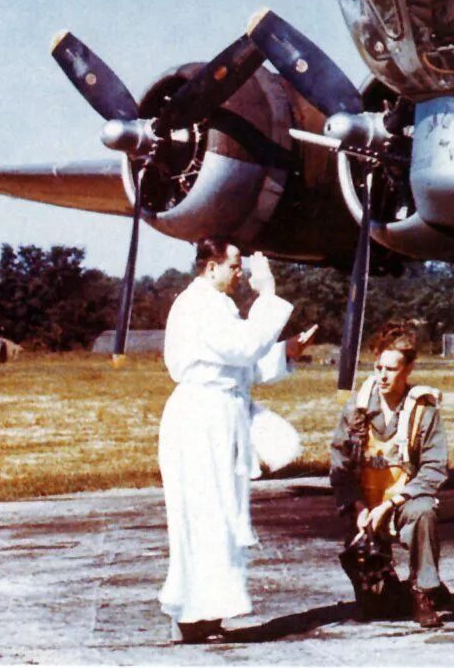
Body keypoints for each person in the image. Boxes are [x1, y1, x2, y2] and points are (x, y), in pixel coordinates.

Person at [157, 240, 314, 643]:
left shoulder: (216, 305)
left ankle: (208, 611)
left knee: (219, 516)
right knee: (204, 516)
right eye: (234, 265)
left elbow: (239, 367)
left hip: (217, 415)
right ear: (211, 267)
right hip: (200, 422)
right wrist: (268, 293)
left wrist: (287, 350)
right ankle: (194, 615)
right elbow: (243, 347)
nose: (240, 273)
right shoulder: (199, 304)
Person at [329, 324, 448, 629]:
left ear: (408, 369)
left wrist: (392, 503)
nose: (382, 375)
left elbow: (435, 468)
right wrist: (357, 507)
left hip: (401, 504)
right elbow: (339, 467)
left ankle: (424, 592)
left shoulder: (424, 410)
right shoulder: (355, 409)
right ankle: (384, 587)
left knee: (424, 512)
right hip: (365, 507)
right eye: (378, 367)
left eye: (391, 369)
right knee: (377, 608)